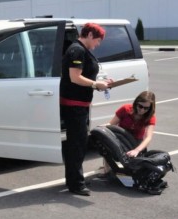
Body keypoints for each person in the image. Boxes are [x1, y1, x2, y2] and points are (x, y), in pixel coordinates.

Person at [59, 23, 111, 196]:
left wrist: (102, 82)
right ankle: (76, 184)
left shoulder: (82, 50)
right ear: (89, 35)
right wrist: (96, 84)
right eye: (98, 40)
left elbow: (85, 75)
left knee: (78, 144)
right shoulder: (77, 50)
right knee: (77, 145)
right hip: (73, 106)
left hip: (80, 105)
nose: (98, 44)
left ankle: (74, 180)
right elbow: (75, 77)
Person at [108, 91, 157, 158]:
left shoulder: (150, 117)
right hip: (120, 138)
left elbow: (148, 137)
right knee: (109, 152)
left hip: (135, 142)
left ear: (150, 108)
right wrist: (101, 128)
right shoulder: (125, 109)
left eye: (146, 108)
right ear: (136, 103)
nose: (142, 110)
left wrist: (137, 150)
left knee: (133, 160)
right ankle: (107, 165)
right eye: (140, 106)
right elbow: (110, 124)